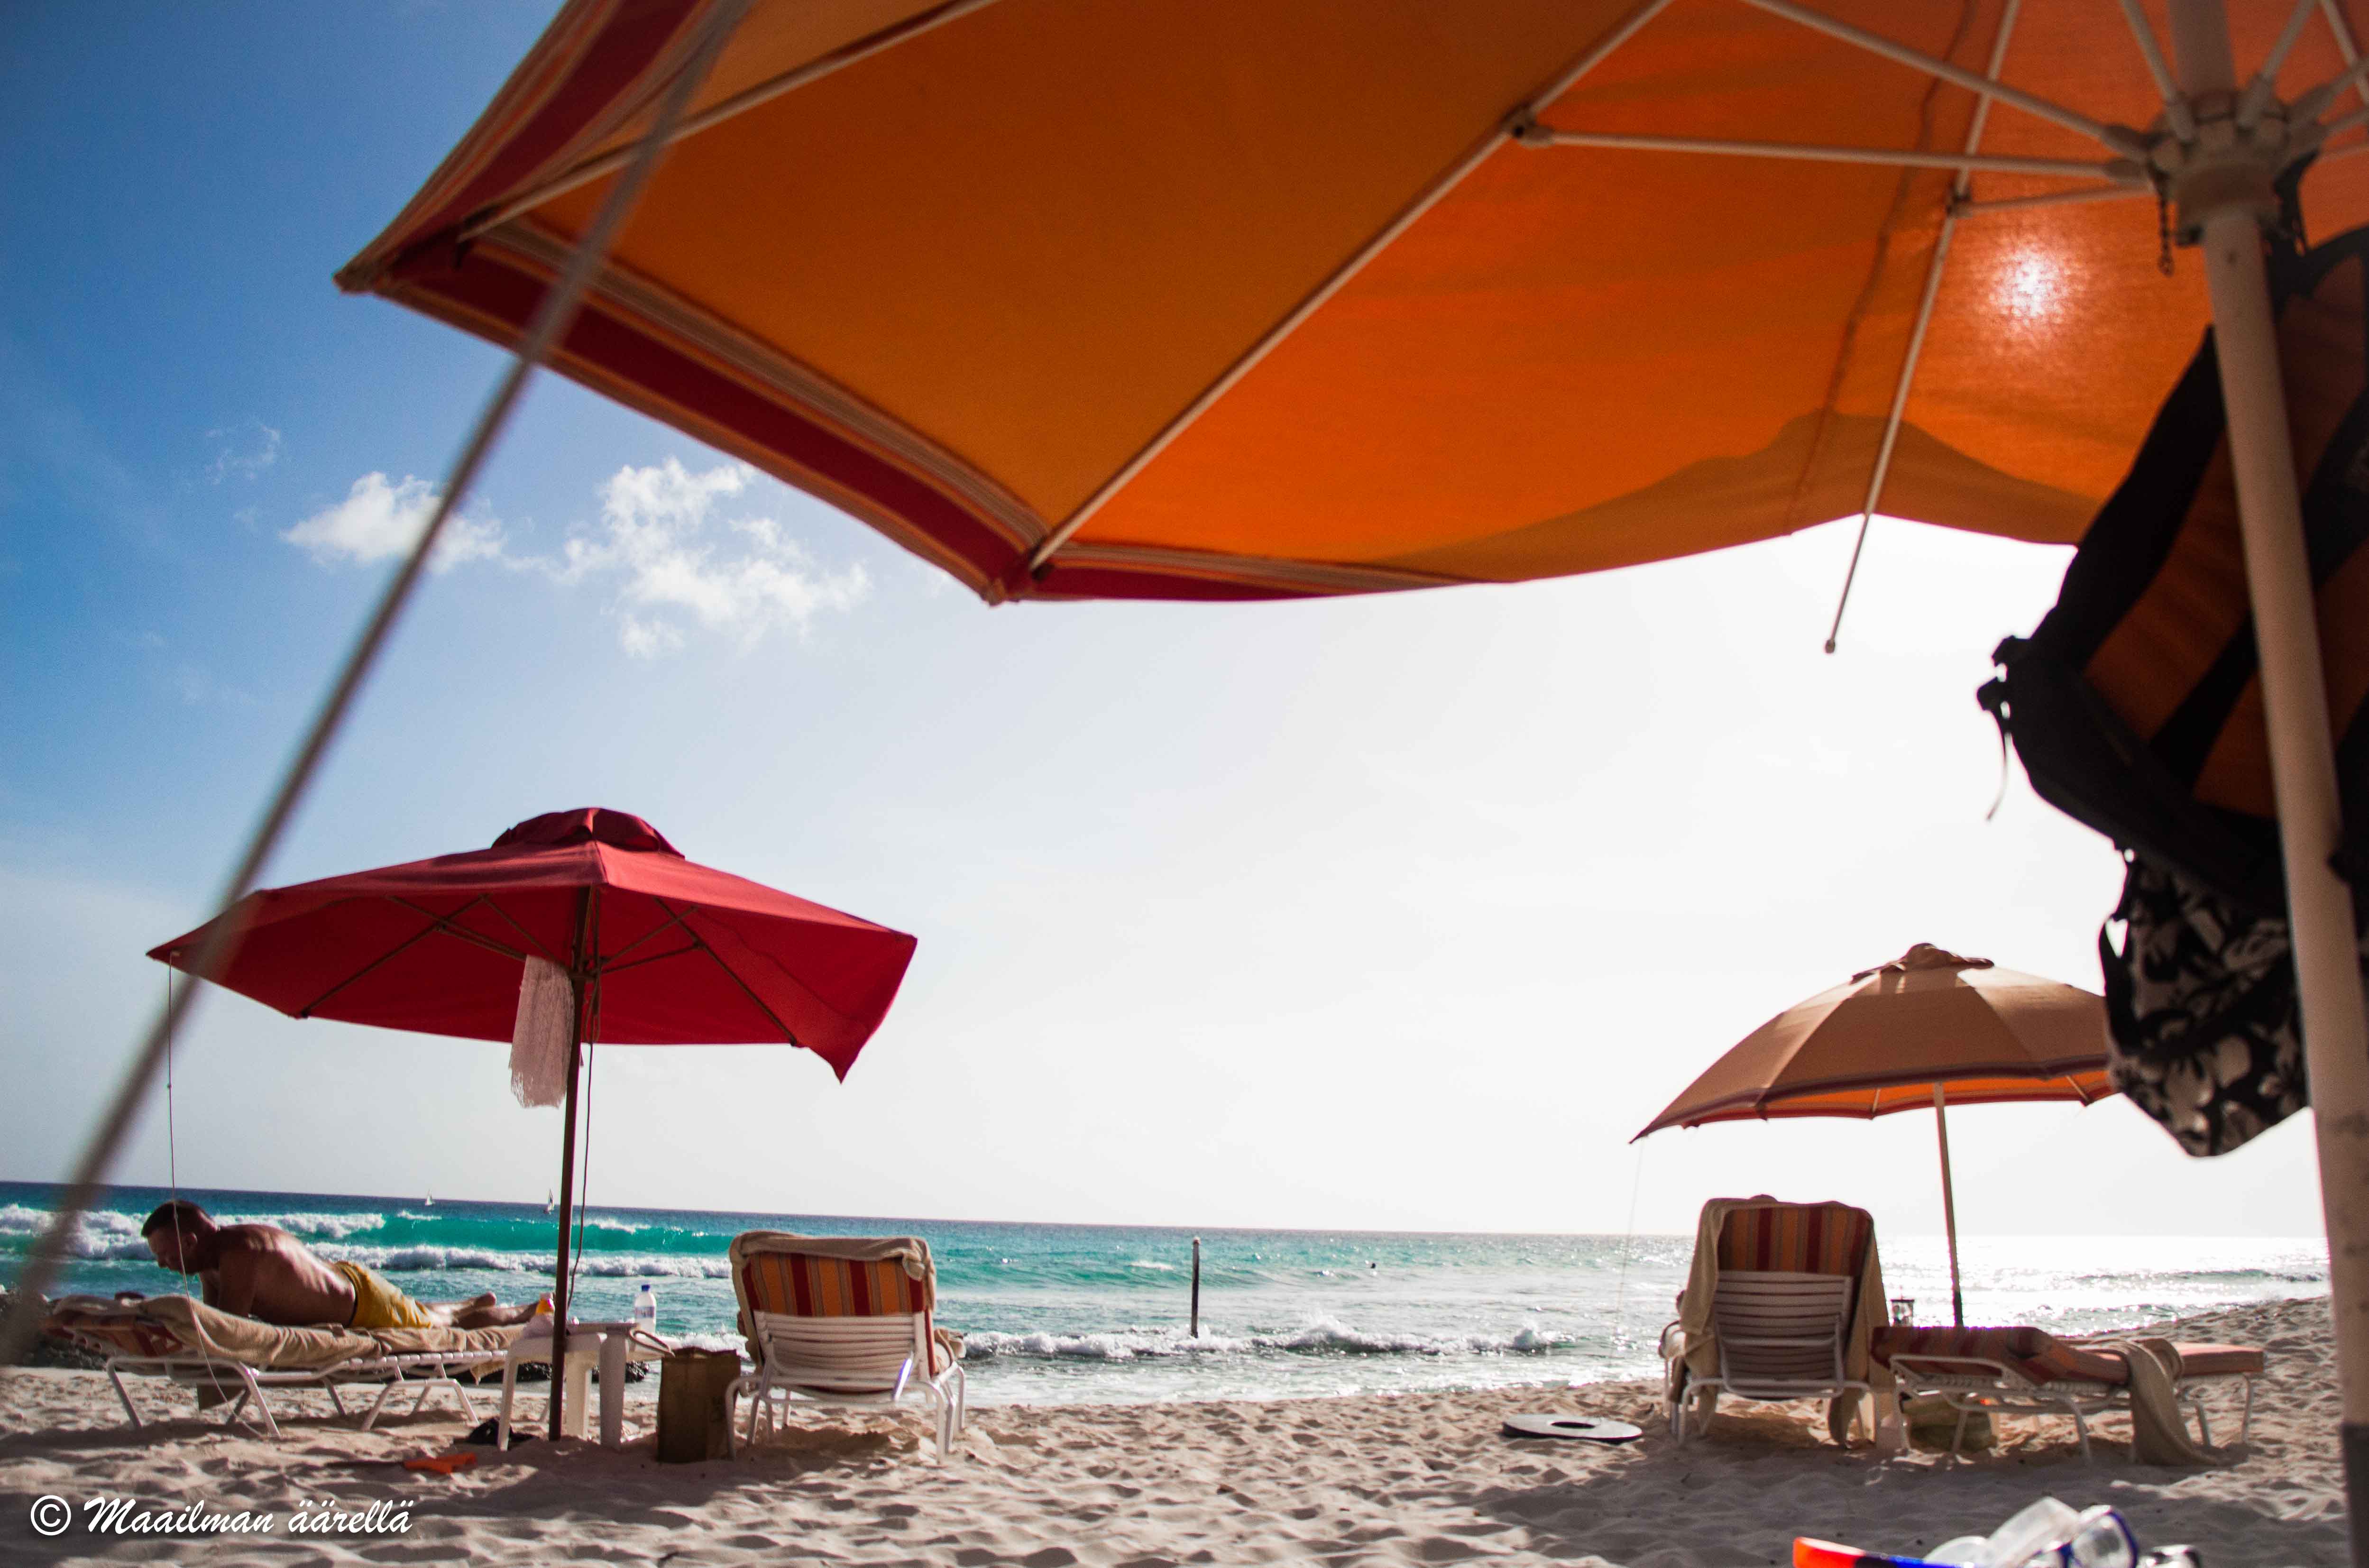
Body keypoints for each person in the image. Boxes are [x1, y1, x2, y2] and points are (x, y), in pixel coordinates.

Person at [140, 1201, 537, 1331]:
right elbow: (211, 1322)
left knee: (446, 1327)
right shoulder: (212, 1262)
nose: (162, 1264)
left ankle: (523, 1311)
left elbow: (227, 1332)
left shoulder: (240, 1253)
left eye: (165, 1255)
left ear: (189, 1242)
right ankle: (472, 1301)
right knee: (422, 1311)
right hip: (350, 1283)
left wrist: (151, 1315)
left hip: (364, 1306)